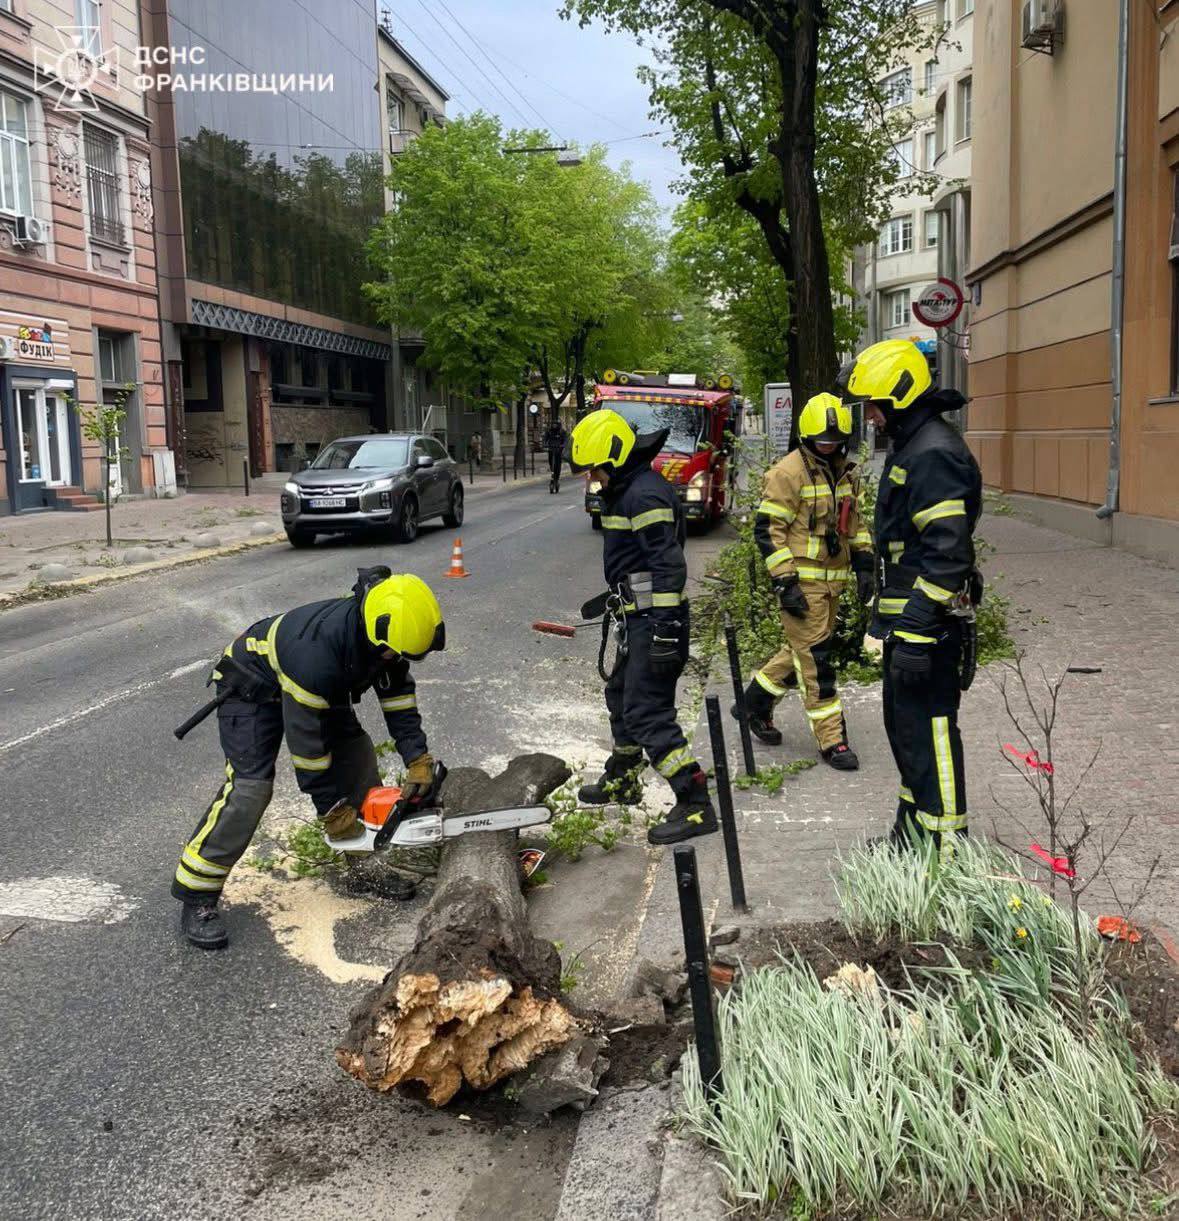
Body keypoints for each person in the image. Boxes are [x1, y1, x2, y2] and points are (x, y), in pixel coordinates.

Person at [172, 569, 446, 949]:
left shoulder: (388, 640)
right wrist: (331, 810)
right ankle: (197, 893)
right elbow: (308, 750)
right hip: (252, 688)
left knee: (358, 759)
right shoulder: (318, 655)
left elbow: (398, 701)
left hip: (316, 687)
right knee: (250, 789)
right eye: (393, 653)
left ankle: (363, 867)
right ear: (375, 633)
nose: (395, 659)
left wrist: (417, 758)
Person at [840, 339, 982, 858]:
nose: (871, 417)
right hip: (911, 622)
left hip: (929, 626)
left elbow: (947, 554)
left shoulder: (933, 453)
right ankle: (913, 834)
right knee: (908, 732)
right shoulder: (915, 443)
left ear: (899, 397)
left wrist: (919, 627)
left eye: (875, 406)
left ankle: (946, 850)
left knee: (933, 731)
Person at [566, 409, 717, 844]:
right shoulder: (629, 489)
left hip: (655, 623)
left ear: (614, 459)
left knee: (647, 712)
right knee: (620, 696)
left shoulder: (644, 496)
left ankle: (695, 801)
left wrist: (665, 631)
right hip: (638, 620)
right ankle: (624, 778)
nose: (592, 477)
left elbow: (668, 567)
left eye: (595, 468)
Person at [741, 393, 874, 770]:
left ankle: (754, 702)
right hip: (801, 585)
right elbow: (768, 531)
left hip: (833, 585)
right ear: (807, 438)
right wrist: (785, 582)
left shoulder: (847, 473)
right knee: (817, 662)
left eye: (834, 440)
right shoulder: (787, 473)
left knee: (802, 650)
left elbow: (856, 523)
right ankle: (833, 740)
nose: (828, 446)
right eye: (821, 440)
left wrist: (865, 563)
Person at [542, 418, 568, 492]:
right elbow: (545, 438)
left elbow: (565, 439)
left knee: (557, 465)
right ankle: (553, 476)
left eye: (555, 424)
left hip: (558, 450)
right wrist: (544, 444)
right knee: (551, 464)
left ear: (558, 425)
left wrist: (563, 445)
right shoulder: (549, 431)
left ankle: (557, 478)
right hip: (551, 449)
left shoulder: (562, 431)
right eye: (553, 424)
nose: (554, 426)